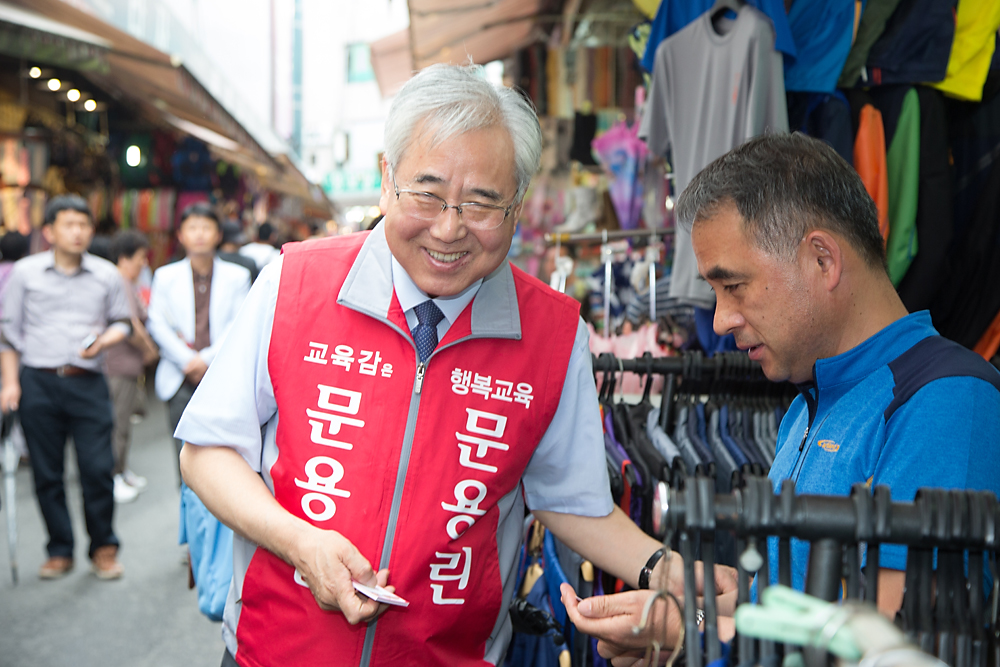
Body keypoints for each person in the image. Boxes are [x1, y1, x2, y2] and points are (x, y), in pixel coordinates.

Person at [176, 64, 735, 667]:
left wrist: (667, 568)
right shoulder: (295, 281)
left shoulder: (553, 334)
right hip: (272, 651)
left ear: (517, 205)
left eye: (481, 205)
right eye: (428, 194)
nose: (448, 229)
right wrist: (299, 542)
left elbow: (570, 499)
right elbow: (207, 450)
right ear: (387, 177)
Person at [564, 132, 1000, 661]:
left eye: (735, 286)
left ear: (822, 259)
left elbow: (889, 645)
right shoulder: (808, 402)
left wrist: (691, 630)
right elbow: (811, 611)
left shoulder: (946, 403)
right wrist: (729, 607)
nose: (721, 320)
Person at [0, 194, 132, 580]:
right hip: (37, 381)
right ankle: (59, 549)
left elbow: (122, 322)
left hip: (88, 381)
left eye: (84, 224)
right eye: (68, 224)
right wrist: (10, 384)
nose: (77, 232)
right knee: (46, 471)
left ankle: (104, 547)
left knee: (97, 467)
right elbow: (8, 334)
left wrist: (105, 341)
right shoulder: (25, 273)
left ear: (92, 230)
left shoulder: (107, 274)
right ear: (49, 231)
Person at [146, 203, 251, 482]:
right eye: (193, 228)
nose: (200, 234)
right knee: (183, 461)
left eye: (206, 227)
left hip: (220, 376)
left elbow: (239, 323)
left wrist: (204, 360)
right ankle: (189, 520)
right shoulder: (165, 276)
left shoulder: (237, 276)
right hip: (179, 378)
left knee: (224, 457)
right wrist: (187, 360)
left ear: (218, 234)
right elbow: (157, 323)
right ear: (180, 235)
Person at [105, 229, 159, 503]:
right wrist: (150, 350)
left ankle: (121, 471)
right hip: (119, 365)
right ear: (125, 258)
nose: (143, 263)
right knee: (118, 424)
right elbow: (132, 325)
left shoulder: (123, 281)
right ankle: (113, 476)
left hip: (125, 365)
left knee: (122, 422)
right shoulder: (120, 282)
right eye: (140, 258)